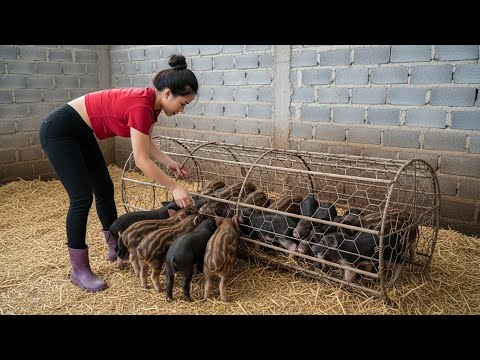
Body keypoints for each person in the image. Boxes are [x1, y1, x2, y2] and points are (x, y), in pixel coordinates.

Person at [39, 54, 197, 292]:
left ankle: (115, 246)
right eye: (183, 103)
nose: (182, 110)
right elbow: (141, 160)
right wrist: (174, 187)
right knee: (82, 198)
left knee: (104, 188)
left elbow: (144, 143)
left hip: (81, 131)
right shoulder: (142, 106)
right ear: (167, 94)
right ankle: (79, 270)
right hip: (60, 130)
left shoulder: (150, 105)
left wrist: (168, 161)